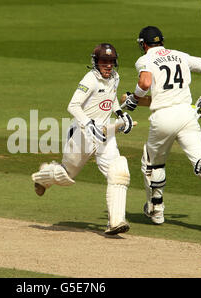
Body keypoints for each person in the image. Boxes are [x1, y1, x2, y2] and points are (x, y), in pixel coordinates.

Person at [121, 26, 201, 225]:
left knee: (152, 163)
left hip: (163, 117)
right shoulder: (180, 55)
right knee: (199, 158)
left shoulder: (145, 59)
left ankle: (156, 210)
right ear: (161, 41)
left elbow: (145, 84)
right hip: (188, 114)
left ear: (143, 44)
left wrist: (134, 99)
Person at [31, 43, 134, 235]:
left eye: (111, 62)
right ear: (96, 62)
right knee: (65, 176)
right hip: (82, 134)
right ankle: (43, 176)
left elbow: (110, 99)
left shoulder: (115, 77)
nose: (108, 66)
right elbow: (73, 106)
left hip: (105, 135)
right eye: (104, 61)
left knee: (119, 171)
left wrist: (120, 114)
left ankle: (116, 221)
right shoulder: (90, 80)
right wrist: (89, 124)